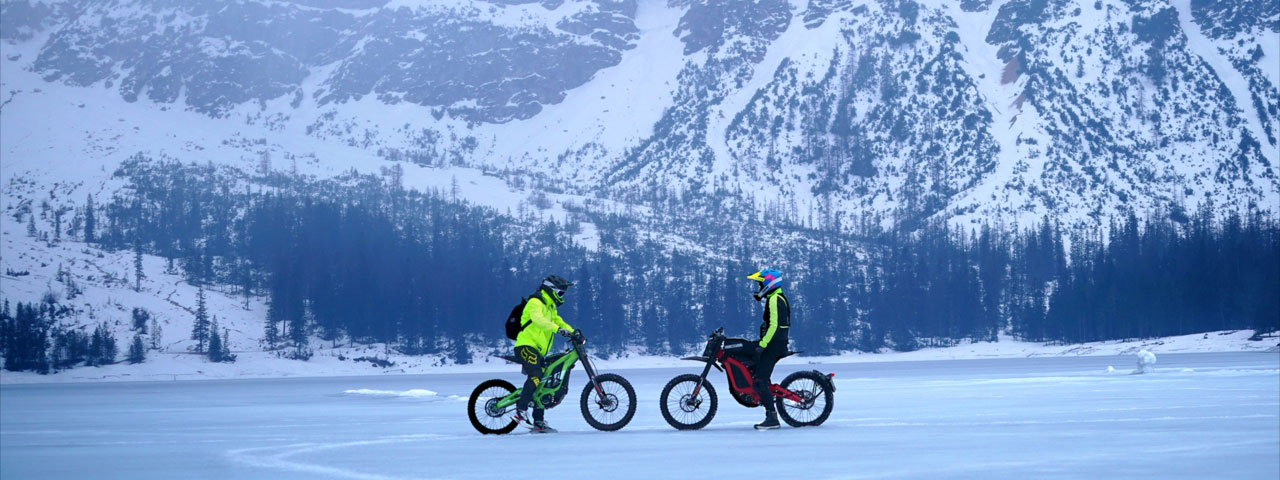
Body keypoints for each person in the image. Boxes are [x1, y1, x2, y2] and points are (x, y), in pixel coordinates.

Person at [512, 274, 576, 433]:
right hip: (526, 346)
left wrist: (573, 333)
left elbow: (558, 321)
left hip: (538, 350)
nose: (561, 296)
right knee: (536, 376)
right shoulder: (535, 302)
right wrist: (558, 330)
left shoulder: (550, 306)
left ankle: (538, 421)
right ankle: (520, 412)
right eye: (560, 293)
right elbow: (539, 320)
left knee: (542, 382)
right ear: (551, 289)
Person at [747, 269, 789, 430]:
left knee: (760, 379)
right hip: (775, 343)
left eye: (760, 283)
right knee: (759, 372)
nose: (759, 286)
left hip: (774, 345)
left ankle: (772, 417)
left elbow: (774, 326)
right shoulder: (774, 297)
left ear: (768, 283)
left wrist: (762, 345)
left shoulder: (774, 299)